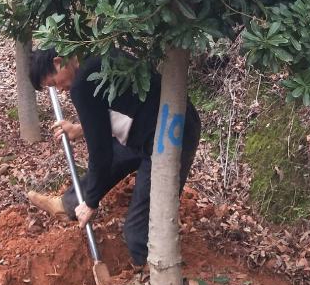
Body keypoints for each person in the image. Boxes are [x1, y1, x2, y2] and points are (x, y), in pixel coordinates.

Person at [27, 49, 201, 268]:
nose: (60, 90)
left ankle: (153, 276)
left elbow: (100, 153)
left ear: (58, 62)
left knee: (138, 229)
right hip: (163, 123)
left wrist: (91, 204)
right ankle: (68, 204)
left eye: (54, 82)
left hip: (169, 138)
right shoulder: (97, 58)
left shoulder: (81, 84)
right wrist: (80, 129)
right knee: (115, 157)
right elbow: (120, 108)